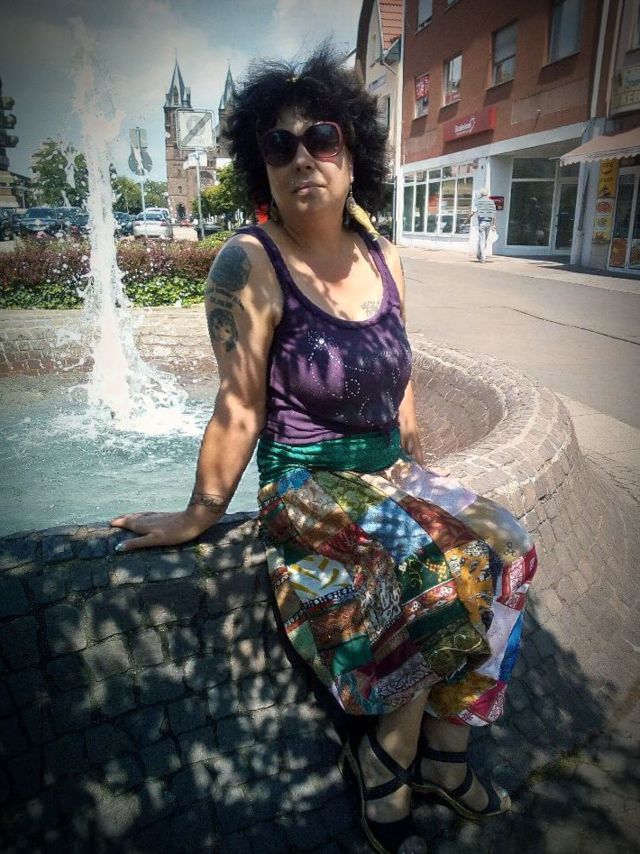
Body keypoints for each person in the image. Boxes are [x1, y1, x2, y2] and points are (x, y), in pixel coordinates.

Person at [111, 45, 537, 854]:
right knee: (427, 570)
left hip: (385, 471)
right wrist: (201, 512)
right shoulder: (249, 262)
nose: (302, 156)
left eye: (321, 137)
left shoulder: (383, 253)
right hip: (308, 483)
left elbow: (400, 372)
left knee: (509, 546)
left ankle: (447, 754)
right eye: (279, 144)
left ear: (353, 152)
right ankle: (387, 755)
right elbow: (239, 404)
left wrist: (416, 468)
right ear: (260, 166)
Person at [468, 188, 496, 262]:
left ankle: (483, 257)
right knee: (483, 240)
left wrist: (467, 219)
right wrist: (494, 225)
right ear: (487, 194)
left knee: (482, 240)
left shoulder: (478, 202)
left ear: (481, 194)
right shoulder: (491, 202)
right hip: (489, 223)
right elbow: (494, 214)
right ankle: (479, 255)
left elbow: (473, 212)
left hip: (482, 223)